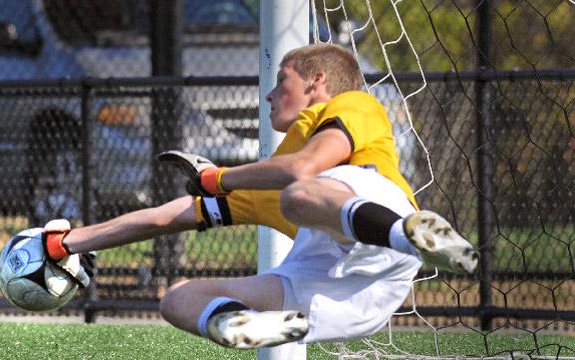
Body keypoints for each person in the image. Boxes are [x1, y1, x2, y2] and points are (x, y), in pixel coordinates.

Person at [35, 43, 477, 348]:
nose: (268, 93)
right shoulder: (262, 178)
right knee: (179, 299)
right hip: (357, 294)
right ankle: (240, 325)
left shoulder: (353, 103)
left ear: (317, 81)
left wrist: (219, 178)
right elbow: (161, 217)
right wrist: (66, 242)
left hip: (383, 229)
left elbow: (303, 169)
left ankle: (414, 235)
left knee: (297, 195)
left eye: (281, 79)